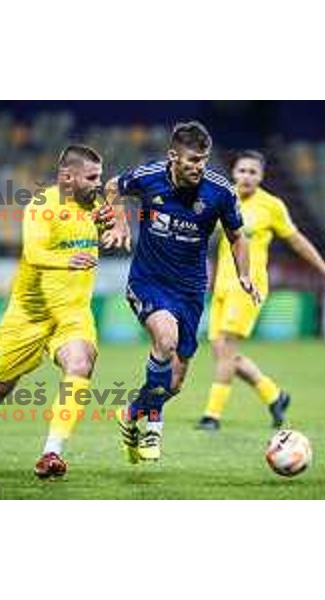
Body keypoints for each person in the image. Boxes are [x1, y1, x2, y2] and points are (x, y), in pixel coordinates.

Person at [0, 144, 113, 481]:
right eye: (92, 177)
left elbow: (114, 208)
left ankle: (51, 452)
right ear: (67, 177)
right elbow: (34, 252)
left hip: (71, 314)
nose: (99, 183)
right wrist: (66, 260)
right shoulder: (42, 207)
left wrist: (116, 226)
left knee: (80, 364)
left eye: (101, 176)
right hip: (28, 316)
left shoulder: (97, 203)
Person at [102, 122, 260, 463]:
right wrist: (117, 219)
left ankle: (130, 414)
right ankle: (153, 432)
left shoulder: (220, 191)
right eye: (191, 160)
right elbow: (112, 186)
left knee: (173, 383)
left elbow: (237, 236)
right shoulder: (149, 177)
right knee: (166, 340)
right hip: (148, 281)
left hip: (190, 290)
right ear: (173, 156)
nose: (198, 166)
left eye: (203, 159)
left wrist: (244, 274)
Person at [196, 150, 325, 431]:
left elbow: (297, 241)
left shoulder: (271, 206)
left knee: (227, 349)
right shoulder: (221, 197)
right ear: (233, 172)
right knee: (223, 355)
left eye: (253, 172)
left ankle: (212, 416)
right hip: (220, 287)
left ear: (262, 176)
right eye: (242, 170)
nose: (246, 176)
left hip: (248, 288)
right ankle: (274, 395)